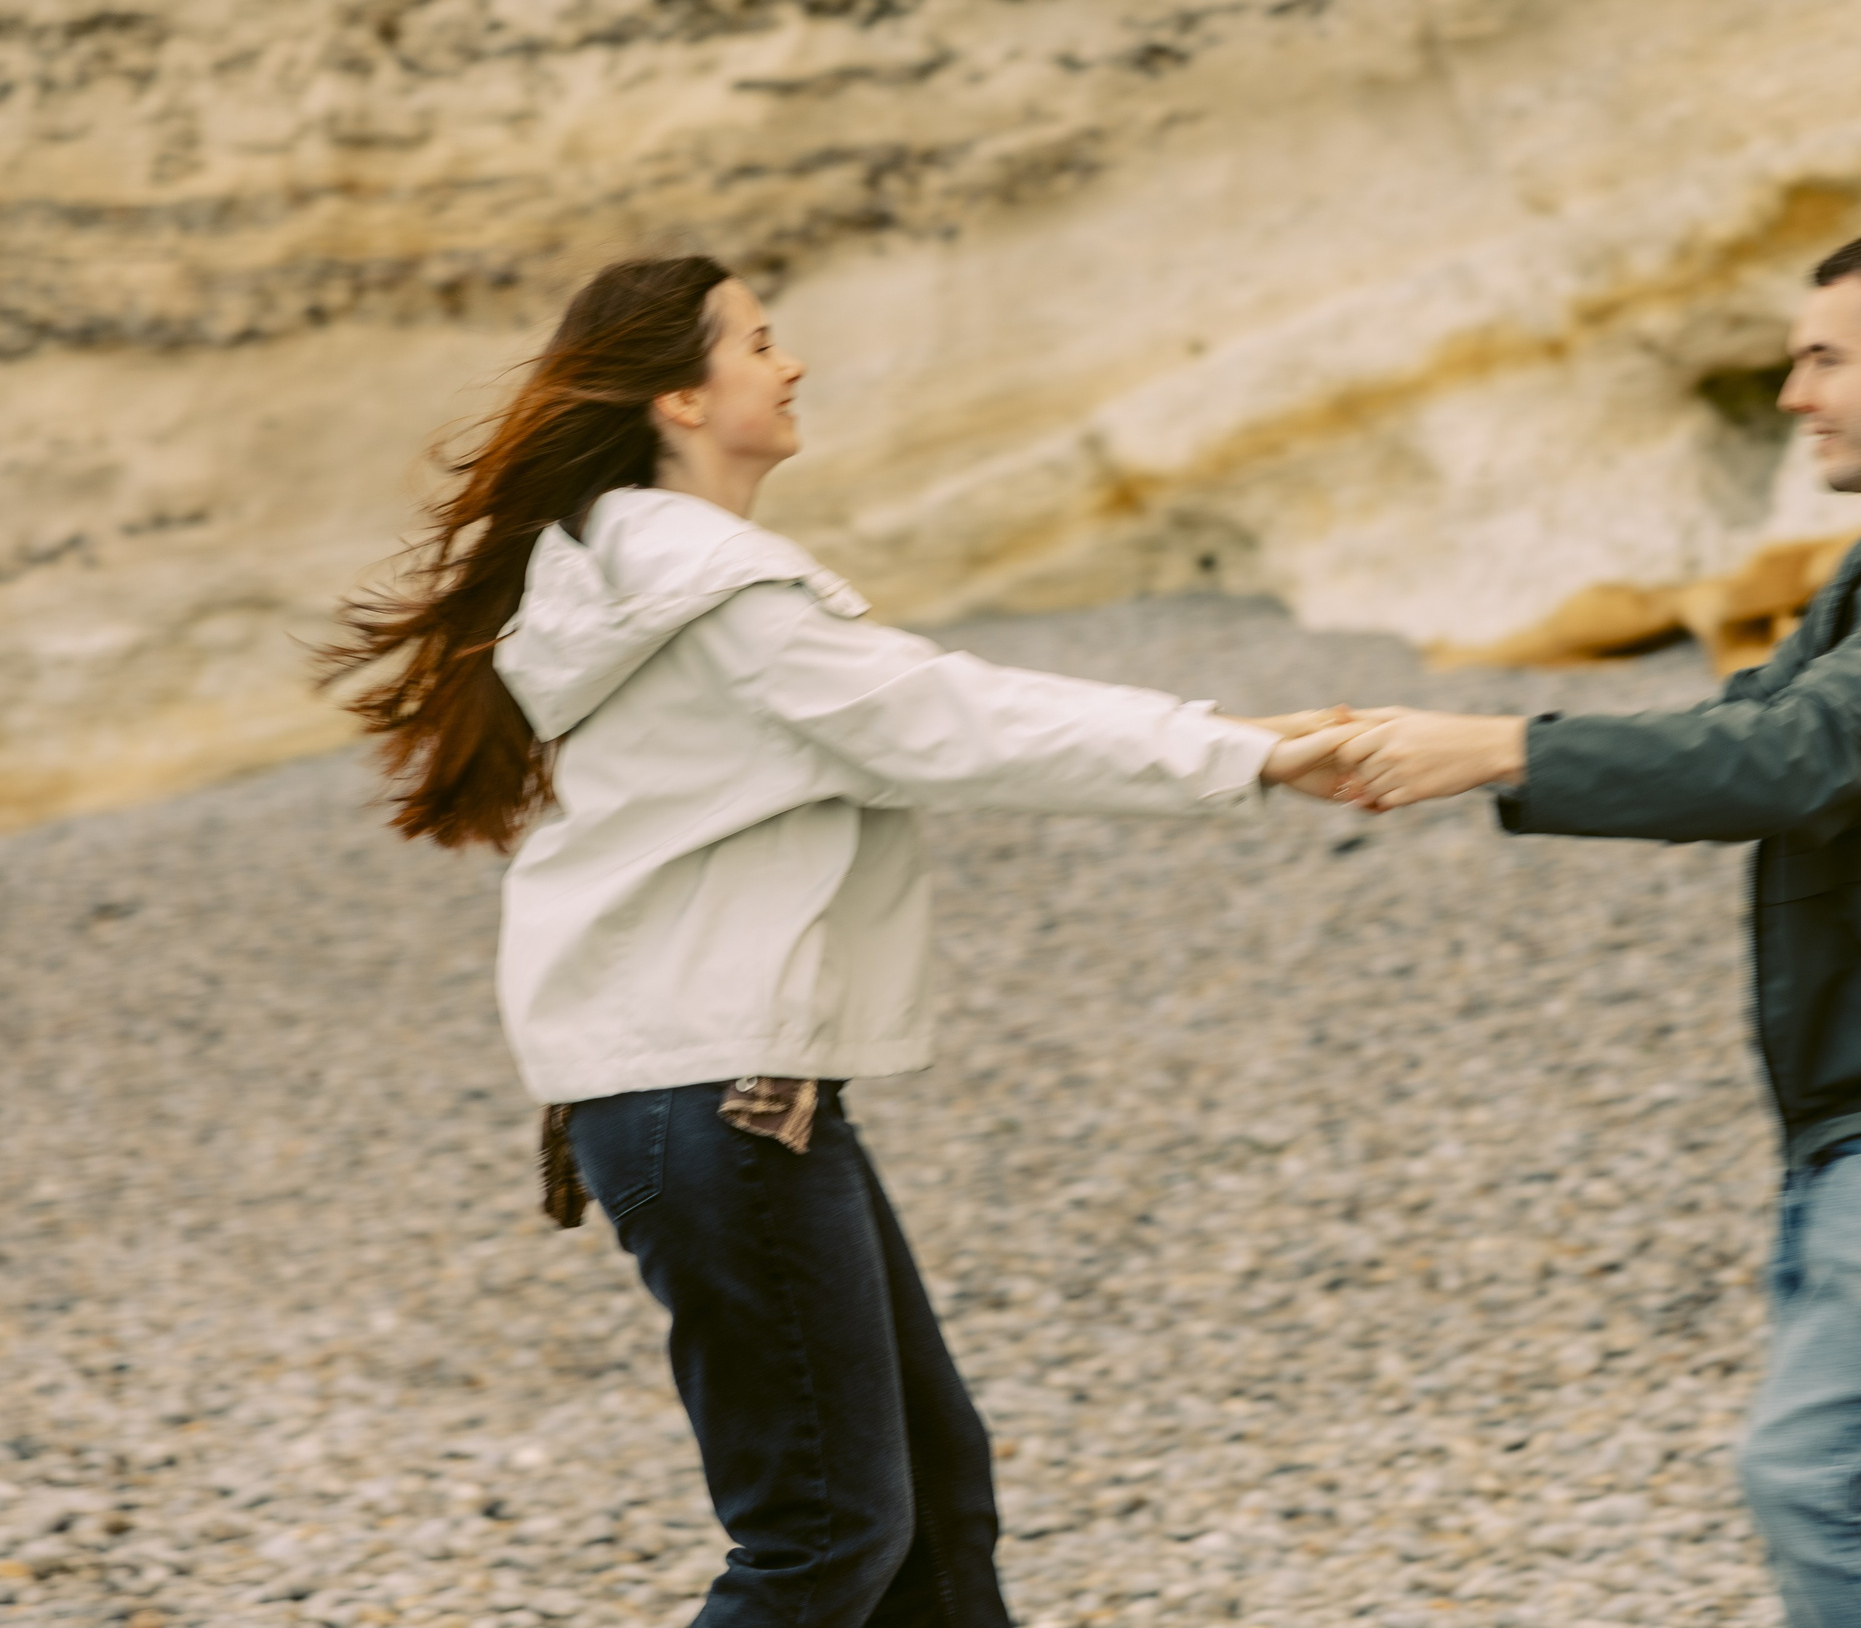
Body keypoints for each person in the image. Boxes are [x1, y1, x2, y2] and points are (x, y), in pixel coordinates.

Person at [324, 256, 1353, 1627]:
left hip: (715, 1093)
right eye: (761, 341)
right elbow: (944, 727)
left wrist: (1233, 733)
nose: (790, 362)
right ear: (681, 396)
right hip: (720, 1093)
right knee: (824, 1536)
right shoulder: (712, 591)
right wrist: (1242, 759)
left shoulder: (652, 582)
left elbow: (928, 700)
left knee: (925, 1506)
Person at [1327, 229, 1861, 1627]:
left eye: (1823, 357)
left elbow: (1801, 757)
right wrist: (1381, 741)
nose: (1794, 393)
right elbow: (1743, 731)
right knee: (1831, 1481)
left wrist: (1496, 747)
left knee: (1809, 1473)